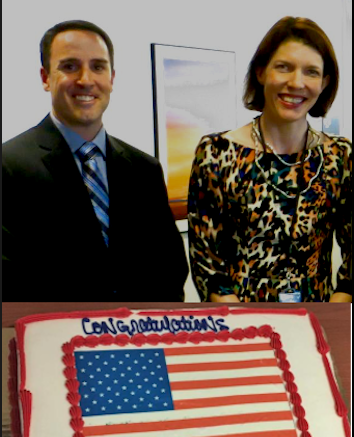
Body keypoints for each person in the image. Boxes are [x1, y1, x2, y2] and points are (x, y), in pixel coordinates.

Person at [2, 20, 188, 301]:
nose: (86, 79)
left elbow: (170, 270)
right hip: (50, 338)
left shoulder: (144, 169)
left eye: (98, 66)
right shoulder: (9, 166)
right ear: (45, 77)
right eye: (69, 66)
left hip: (138, 337)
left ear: (112, 78)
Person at [188, 17, 352, 303]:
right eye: (284, 67)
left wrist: (332, 315)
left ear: (324, 82)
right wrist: (249, 329)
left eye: (311, 72)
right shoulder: (216, 152)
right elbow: (209, 266)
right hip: (241, 326)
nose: (296, 82)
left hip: (319, 325)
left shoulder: (340, 157)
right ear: (262, 72)